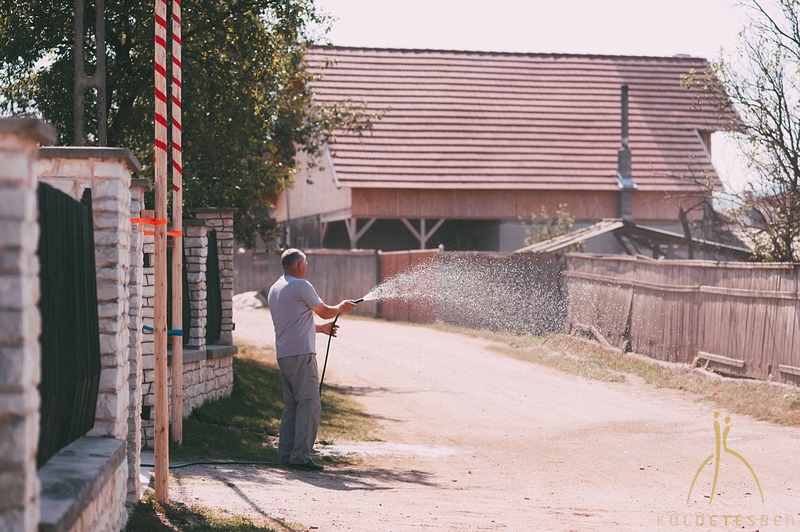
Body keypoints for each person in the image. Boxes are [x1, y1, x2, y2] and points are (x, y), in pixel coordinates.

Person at [267, 248, 357, 471]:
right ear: (299, 265)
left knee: (291, 405)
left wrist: (320, 329)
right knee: (309, 403)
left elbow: (293, 322)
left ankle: (286, 455)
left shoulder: (276, 288)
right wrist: (342, 307)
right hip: (302, 354)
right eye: (305, 263)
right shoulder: (301, 285)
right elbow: (326, 311)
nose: (306, 267)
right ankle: (300, 457)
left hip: (285, 354)